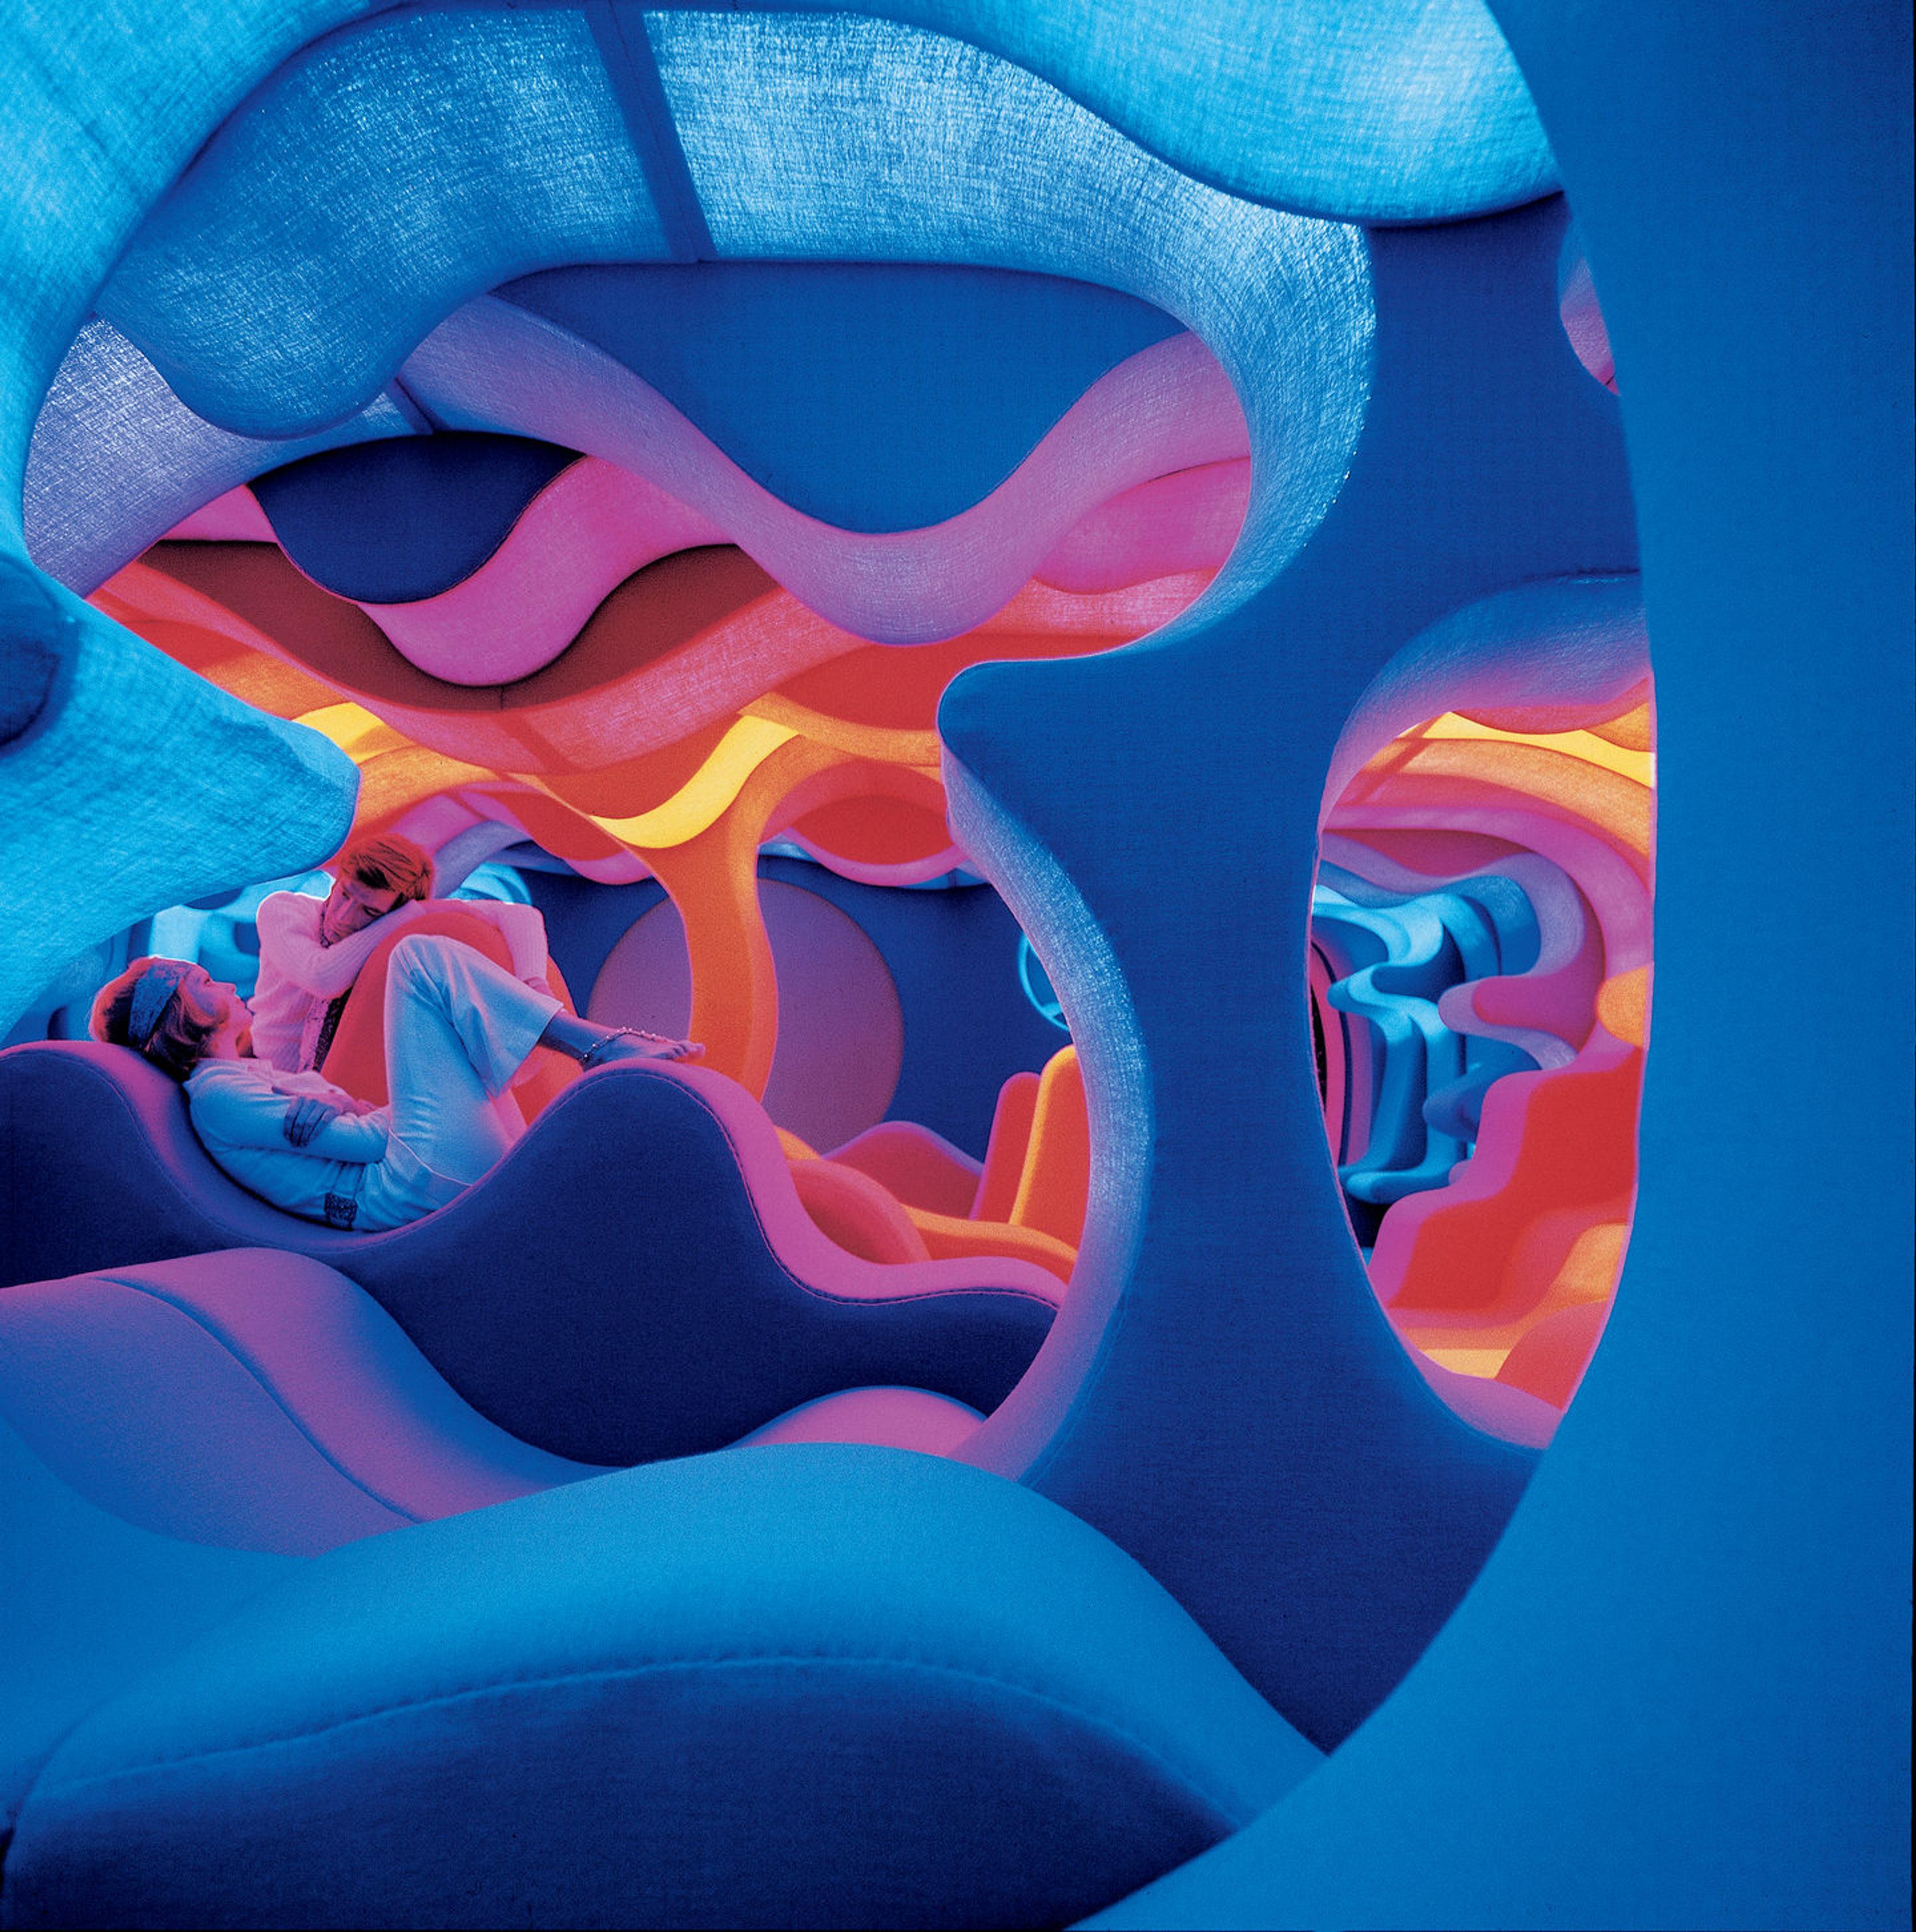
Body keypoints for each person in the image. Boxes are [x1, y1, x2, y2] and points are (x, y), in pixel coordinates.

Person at [92, 937, 701, 1232]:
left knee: (463, 1031)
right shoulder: (218, 1096)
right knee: (418, 959)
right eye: (204, 983)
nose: (226, 984)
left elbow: (351, 1119)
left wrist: (343, 1104)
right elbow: (365, 1141)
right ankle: (599, 1047)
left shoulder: (243, 1076)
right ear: (179, 1017)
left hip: (420, 1176)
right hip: (406, 1189)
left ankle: (598, 1052)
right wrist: (362, 1109)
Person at [250, 834, 555, 1075]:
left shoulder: (395, 923)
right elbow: (323, 978)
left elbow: (522, 916)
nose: (344, 917)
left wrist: (535, 986)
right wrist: (409, 915)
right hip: (268, 1075)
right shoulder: (284, 909)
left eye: (369, 911)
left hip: (338, 1086)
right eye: (345, 893)